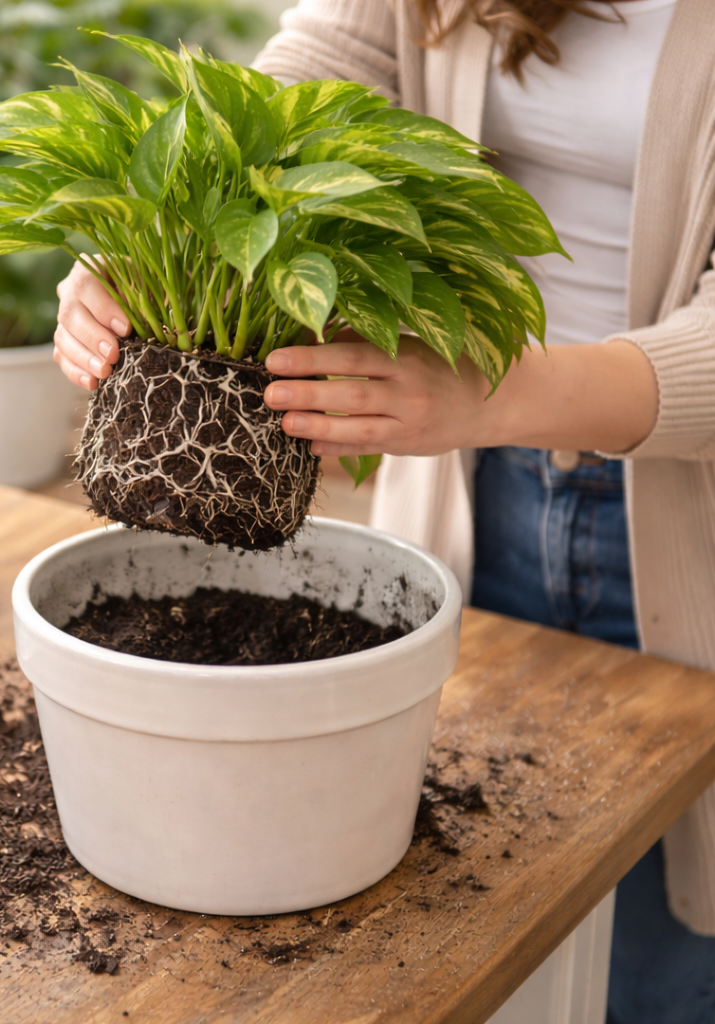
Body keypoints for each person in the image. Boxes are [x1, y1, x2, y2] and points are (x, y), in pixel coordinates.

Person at [51, 1, 715, 1019]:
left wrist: (494, 392)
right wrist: (146, 241)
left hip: (682, 530)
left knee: (658, 954)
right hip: (466, 486)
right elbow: (308, 84)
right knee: (460, 907)